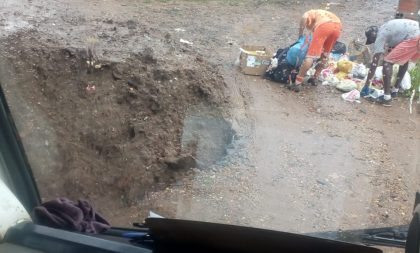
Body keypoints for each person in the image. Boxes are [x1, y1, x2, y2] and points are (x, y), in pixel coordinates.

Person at [361, 19, 420, 106]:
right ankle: (394, 91)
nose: (374, 43)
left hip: (414, 37)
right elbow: (396, 49)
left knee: (387, 63)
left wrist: (366, 85)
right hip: (416, 34)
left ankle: (386, 98)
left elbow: (374, 63)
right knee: (404, 60)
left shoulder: (380, 35)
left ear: (373, 36)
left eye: (372, 40)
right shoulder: (388, 30)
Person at [288, 9, 342, 92]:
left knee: (310, 55)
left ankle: (298, 83)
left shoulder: (308, 14)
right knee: (325, 53)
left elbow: (304, 18)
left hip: (324, 26)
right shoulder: (320, 13)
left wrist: (300, 34)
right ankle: (315, 78)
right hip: (338, 26)